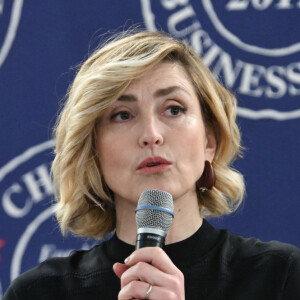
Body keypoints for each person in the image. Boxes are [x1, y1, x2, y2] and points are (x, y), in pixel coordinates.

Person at [3, 30, 300, 300]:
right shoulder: (40, 293)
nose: (151, 136)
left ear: (209, 140)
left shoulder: (281, 277)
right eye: (122, 115)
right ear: (93, 149)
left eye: (173, 109)